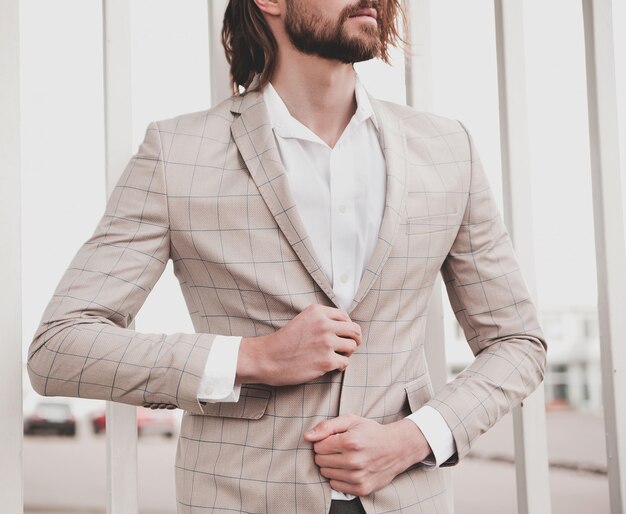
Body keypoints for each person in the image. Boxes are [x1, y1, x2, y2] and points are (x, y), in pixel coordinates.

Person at [28, 0, 547, 513]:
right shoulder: (177, 152)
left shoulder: (447, 148)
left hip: (408, 497)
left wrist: (415, 438)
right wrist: (254, 358)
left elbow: (517, 341)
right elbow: (59, 347)